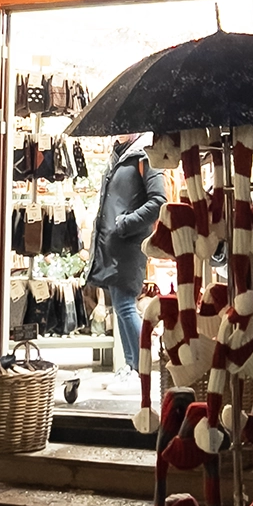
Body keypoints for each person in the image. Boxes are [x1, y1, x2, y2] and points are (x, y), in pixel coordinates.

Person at [86, 133, 163, 372]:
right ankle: (133, 367)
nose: (119, 132)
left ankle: (143, 367)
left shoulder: (144, 156)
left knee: (126, 305)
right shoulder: (118, 157)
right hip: (112, 244)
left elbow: (159, 200)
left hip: (129, 244)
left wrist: (126, 223)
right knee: (121, 306)